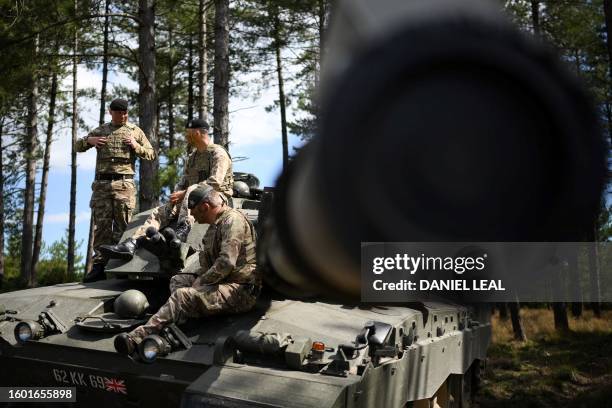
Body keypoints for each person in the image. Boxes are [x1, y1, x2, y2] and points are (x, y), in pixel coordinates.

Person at [113, 185, 260, 355]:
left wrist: (202, 281)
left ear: (205, 207)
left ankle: (136, 338)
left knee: (181, 295)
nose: (194, 218)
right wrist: (198, 279)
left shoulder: (232, 221)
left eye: (195, 212)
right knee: (178, 280)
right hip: (224, 282)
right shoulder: (214, 227)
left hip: (241, 290)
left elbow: (226, 262)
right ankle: (180, 321)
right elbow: (207, 263)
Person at [100, 118, 234, 259]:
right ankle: (133, 243)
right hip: (190, 198)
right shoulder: (192, 157)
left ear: (197, 133)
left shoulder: (218, 153)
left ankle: (183, 230)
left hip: (217, 197)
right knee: (160, 211)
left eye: (188, 133)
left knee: (192, 189)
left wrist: (185, 193)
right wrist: (176, 195)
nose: (185, 136)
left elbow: (215, 183)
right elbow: (184, 182)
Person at [76, 98, 155, 282]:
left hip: (124, 186)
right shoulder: (101, 130)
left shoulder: (135, 131)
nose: (123, 116)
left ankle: (123, 267)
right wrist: (89, 140)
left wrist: (136, 146)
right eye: (119, 113)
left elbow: (151, 154)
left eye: (126, 113)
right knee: (102, 227)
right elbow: (77, 146)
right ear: (110, 112)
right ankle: (99, 266)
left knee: (125, 226)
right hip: (102, 186)